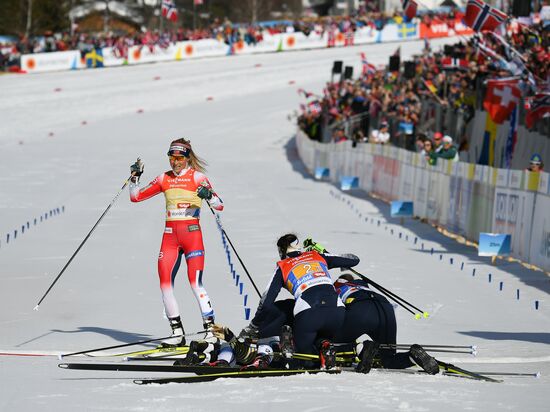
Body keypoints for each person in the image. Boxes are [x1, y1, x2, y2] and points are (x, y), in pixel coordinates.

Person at [129, 138, 224, 347]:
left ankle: (210, 330)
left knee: (194, 283)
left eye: (179, 158)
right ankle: (176, 333)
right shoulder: (164, 178)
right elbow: (135, 197)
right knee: (165, 284)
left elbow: (219, 206)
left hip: (192, 235)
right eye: (172, 157)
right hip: (170, 236)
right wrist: (134, 178)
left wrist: (209, 196)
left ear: (187, 158)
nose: (175, 162)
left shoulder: (198, 177)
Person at [238, 234, 360, 369]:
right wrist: (324, 253)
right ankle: (326, 345)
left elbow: (266, 303)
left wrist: (254, 326)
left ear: (281, 251)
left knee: (303, 356)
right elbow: (354, 260)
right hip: (337, 311)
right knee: (322, 337)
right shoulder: (317, 256)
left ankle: (292, 345)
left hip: (309, 311)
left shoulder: (283, 266)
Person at [333, 273, 439, 375]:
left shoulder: (336, 288)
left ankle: (361, 348)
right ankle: (412, 357)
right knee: (388, 358)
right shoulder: (363, 285)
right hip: (385, 309)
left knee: (334, 345)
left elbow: (334, 315)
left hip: (361, 308)